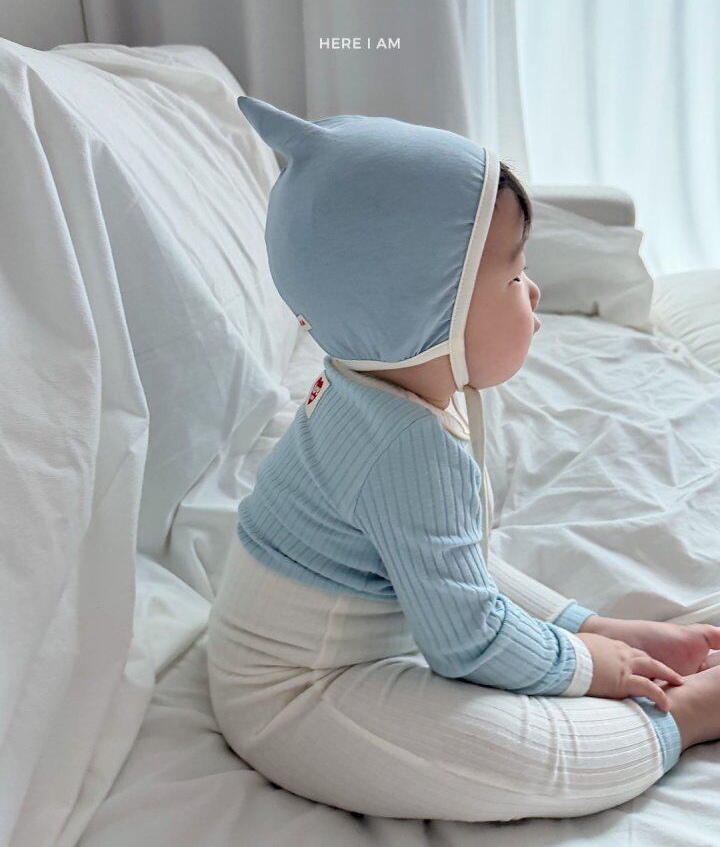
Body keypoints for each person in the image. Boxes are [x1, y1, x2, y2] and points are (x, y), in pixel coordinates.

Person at [207, 96, 720, 822]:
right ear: (426, 311)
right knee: (526, 759)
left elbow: (454, 562)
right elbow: (468, 639)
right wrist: (588, 669)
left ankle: (596, 631)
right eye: (513, 277)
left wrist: (587, 628)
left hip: (333, 627)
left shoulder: (368, 382)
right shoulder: (406, 447)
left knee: (459, 563)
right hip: (296, 696)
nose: (534, 292)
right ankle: (689, 715)